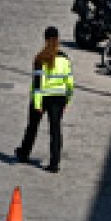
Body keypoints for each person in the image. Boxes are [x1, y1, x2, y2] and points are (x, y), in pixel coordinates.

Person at [15, 26, 74, 173]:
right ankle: (54, 163)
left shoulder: (40, 58)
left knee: (32, 126)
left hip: (43, 98)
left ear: (45, 39)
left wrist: (37, 103)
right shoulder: (64, 58)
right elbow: (69, 81)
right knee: (55, 130)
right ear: (58, 39)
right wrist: (67, 100)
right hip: (59, 98)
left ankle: (24, 152)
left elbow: (37, 84)